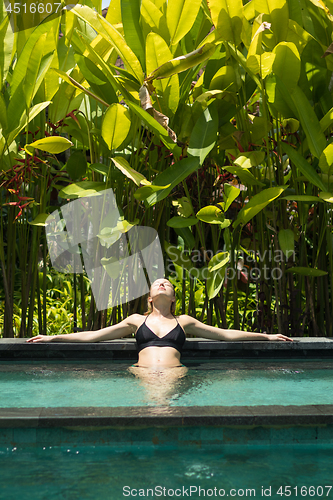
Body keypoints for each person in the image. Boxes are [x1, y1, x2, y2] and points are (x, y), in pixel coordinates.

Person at [27, 278, 293, 368]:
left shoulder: (184, 320)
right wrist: (52, 338)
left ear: (173, 297)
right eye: (157, 283)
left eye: (167, 283)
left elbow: (224, 334)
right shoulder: (135, 320)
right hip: (140, 374)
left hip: (175, 374)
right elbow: (94, 335)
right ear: (150, 298)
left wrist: (267, 337)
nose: (163, 283)